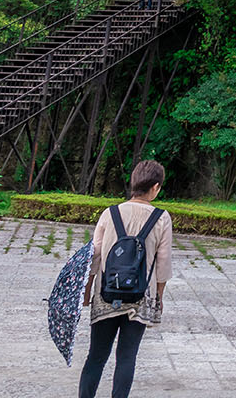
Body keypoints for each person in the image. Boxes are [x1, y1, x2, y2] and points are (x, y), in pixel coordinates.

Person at [81, 160, 174, 398]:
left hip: (106, 293)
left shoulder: (109, 213)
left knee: (96, 356)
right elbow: (163, 263)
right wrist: (160, 296)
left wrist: (88, 288)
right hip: (141, 295)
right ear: (155, 187)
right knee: (127, 357)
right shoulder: (162, 218)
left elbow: (96, 254)